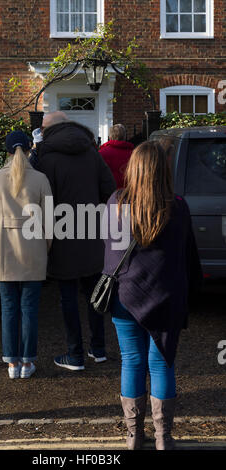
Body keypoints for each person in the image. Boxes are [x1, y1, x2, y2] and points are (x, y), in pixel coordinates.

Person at [103, 141, 202, 450]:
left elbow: (109, 252)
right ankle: (163, 439)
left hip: (126, 295)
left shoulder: (116, 202)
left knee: (132, 362)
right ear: (163, 171)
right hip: (166, 297)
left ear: (133, 169)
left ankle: (133, 437)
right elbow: (188, 258)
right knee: (161, 364)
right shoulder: (178, 206)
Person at [37, 111, 116, 371]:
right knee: (94, 294)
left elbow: (43, 201)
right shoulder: (91, 151)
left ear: (47, 130)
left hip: (62, 233)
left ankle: (75, 355)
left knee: (67, 297)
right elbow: (109, 189)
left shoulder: (45, 157)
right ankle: (99, 348)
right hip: (91, 231)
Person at [0, 131, 53, 379]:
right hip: (33, 248)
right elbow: (49, 219)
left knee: (9, 308)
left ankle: (12, 364)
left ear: (7, 151)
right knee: (29, 308)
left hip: (4, 249)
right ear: (28, 148)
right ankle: (27, 362)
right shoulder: (41, 178)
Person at [99, 124, 134, 188]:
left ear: (110, 137)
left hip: (108, 192)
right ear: (124, 136)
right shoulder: (133, 154)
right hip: (128, 191)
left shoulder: (101, 153)